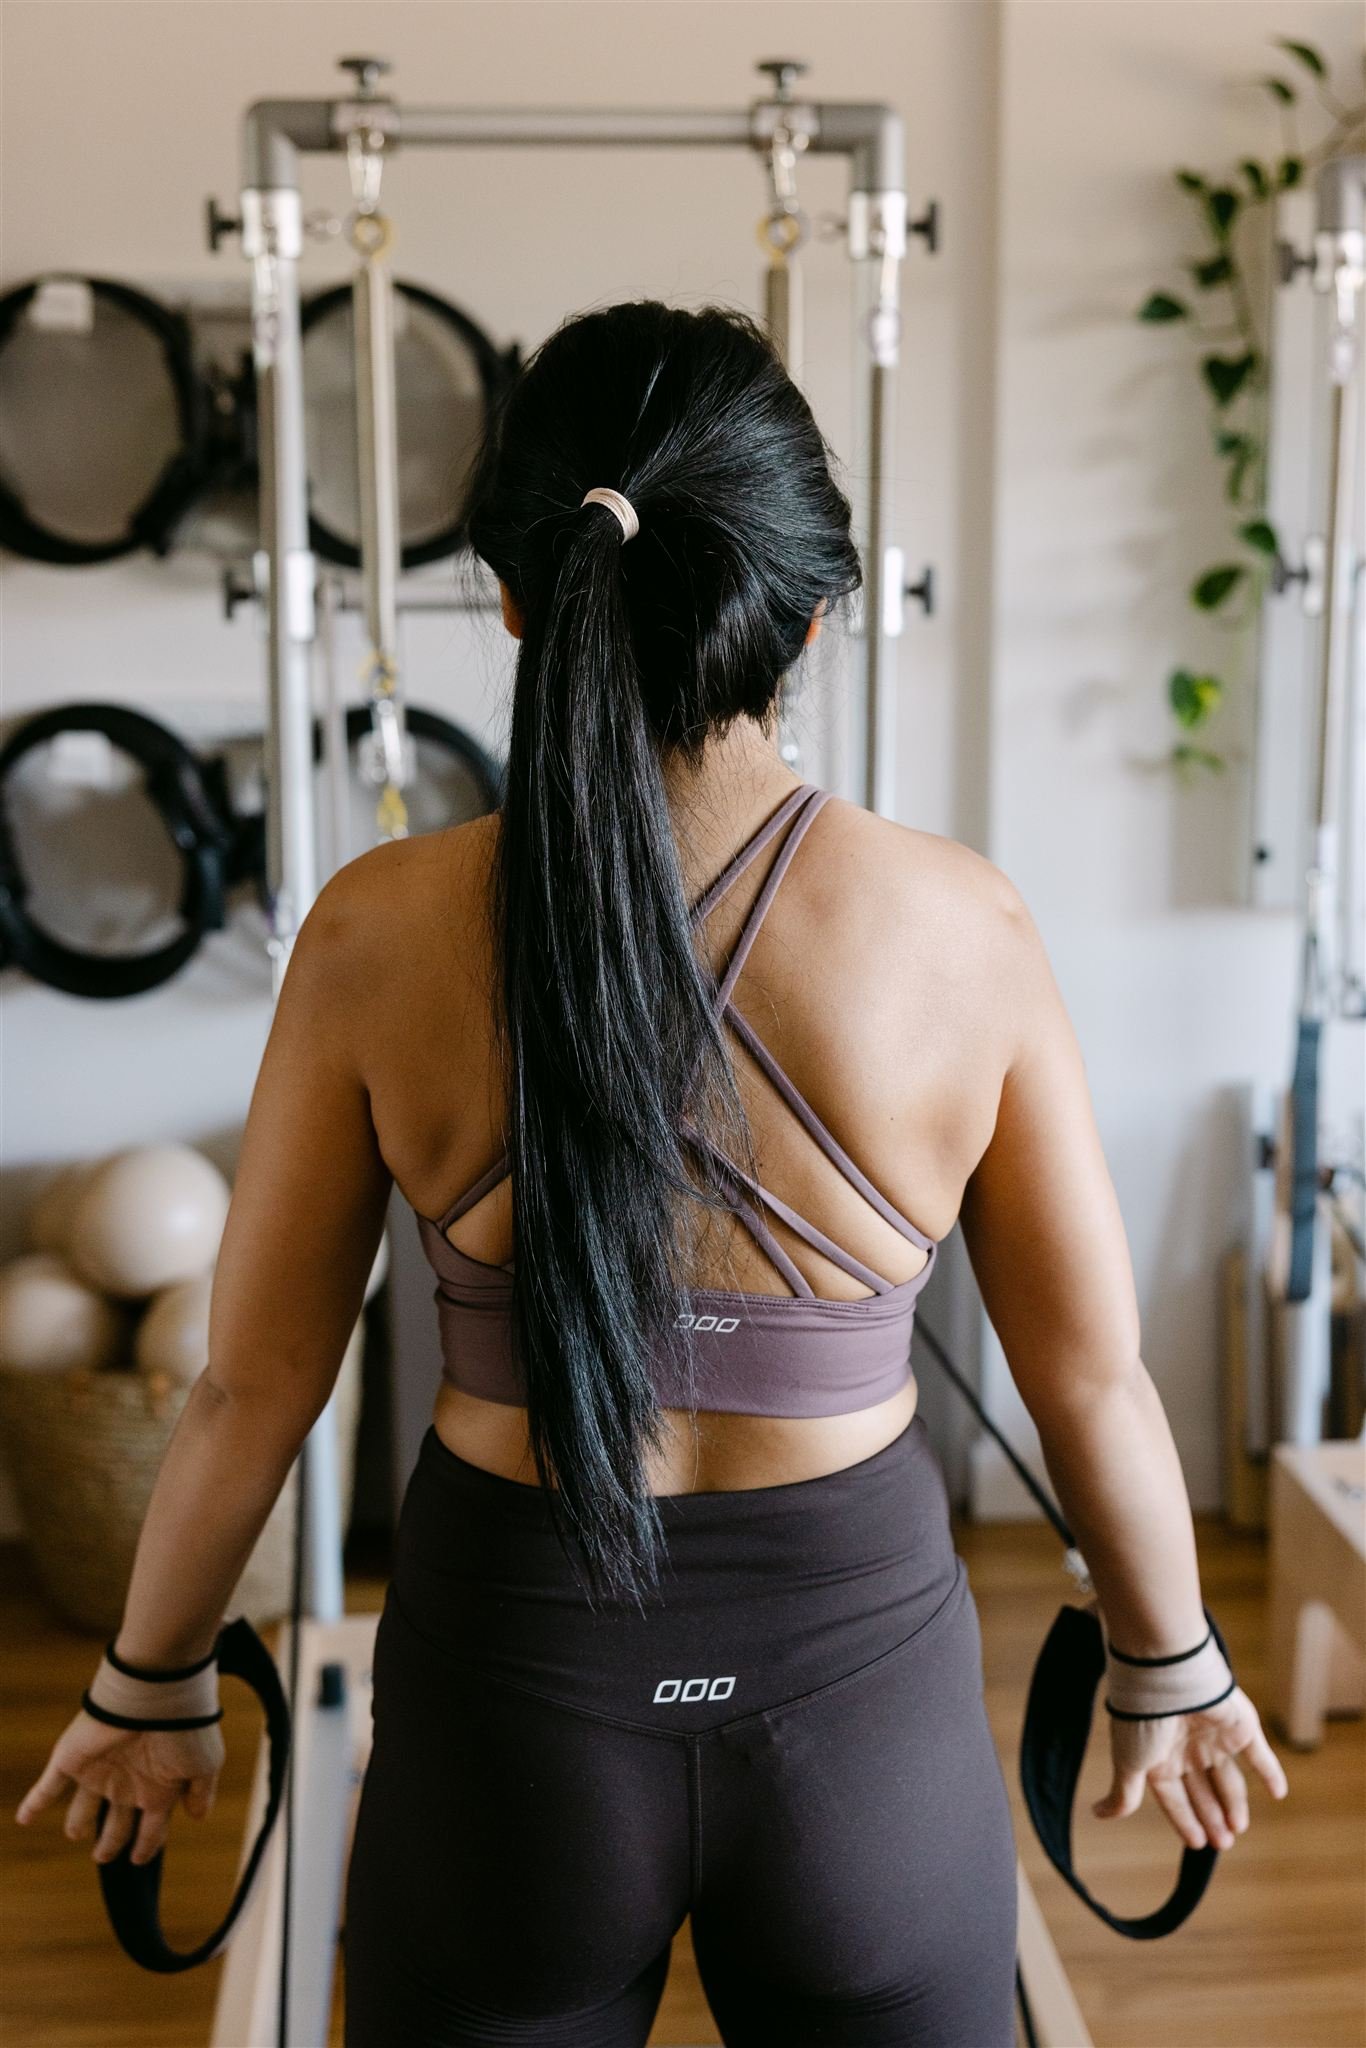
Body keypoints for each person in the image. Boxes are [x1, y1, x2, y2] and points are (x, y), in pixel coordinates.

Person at [16, 300, 1287, 2048]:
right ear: (812, 610)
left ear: (516, 598)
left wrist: (148, 1680)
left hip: (510, 1705)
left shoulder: (378, 928)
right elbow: (1087, 1379)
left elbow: (250, 1385)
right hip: (858, 1717)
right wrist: (1169, 1657)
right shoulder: (961, 926)